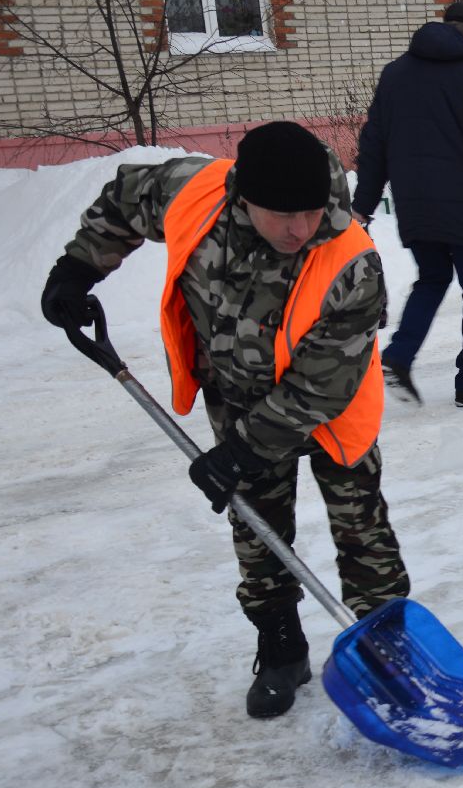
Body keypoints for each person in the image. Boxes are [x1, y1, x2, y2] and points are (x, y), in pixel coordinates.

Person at [39, 121, 411, 718]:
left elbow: (321, 385)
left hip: (330, 407)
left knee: (361, 528)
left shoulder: (351, 262)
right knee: (257, 528)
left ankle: (389, 651)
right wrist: (79, 269)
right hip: (235, 393)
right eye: (282, 214)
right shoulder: (193, 194)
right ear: (244, 197)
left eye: (312, 211)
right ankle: (282, 648)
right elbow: (127, 198)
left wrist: (241, 452)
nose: (300, 229)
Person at [352, 1, 463, 408]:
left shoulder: (395, 74)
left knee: (433, 277)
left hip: (415, 202)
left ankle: (399, 356)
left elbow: (374, 144)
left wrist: (363, 206)